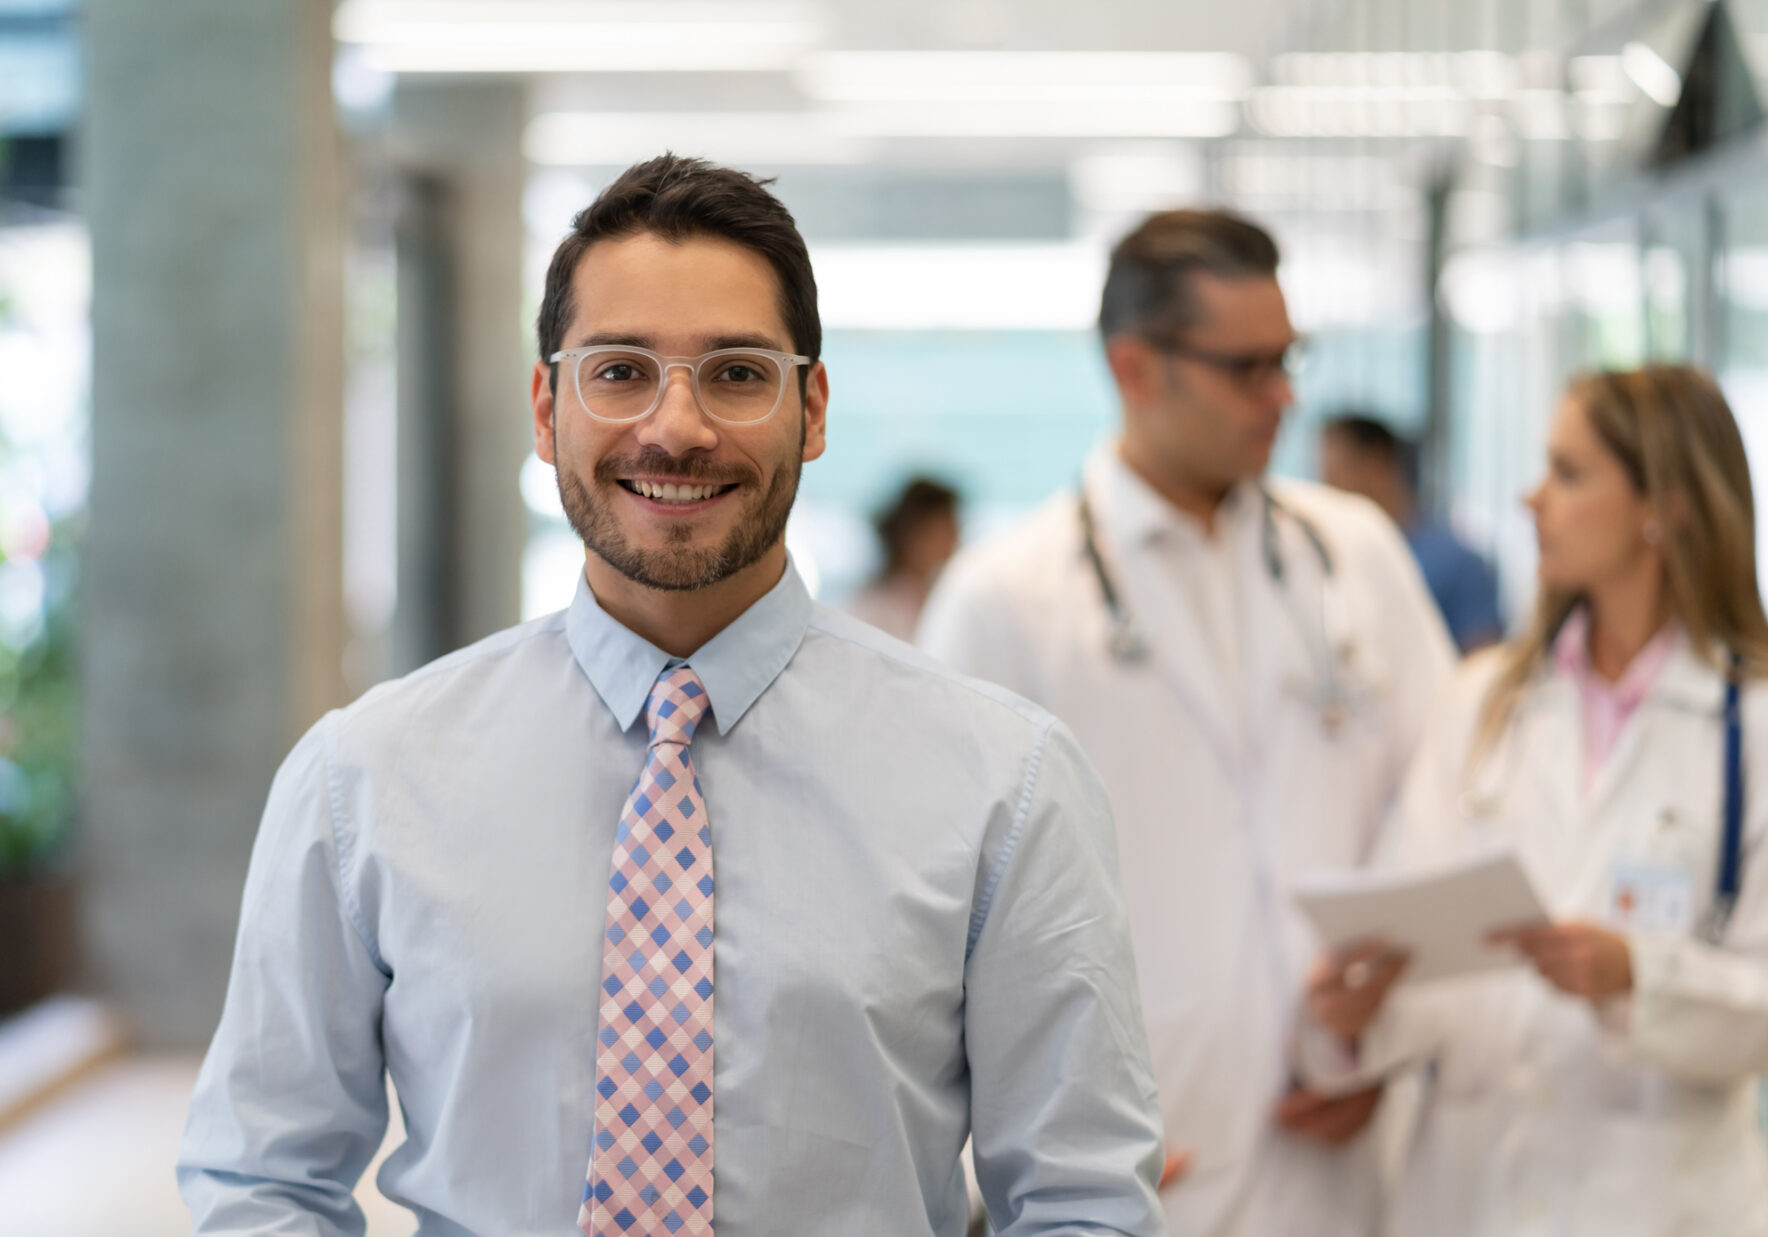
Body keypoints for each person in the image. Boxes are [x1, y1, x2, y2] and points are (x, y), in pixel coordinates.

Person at [178, 155, 1167, 1237]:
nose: (678, 427)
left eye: (738, 373)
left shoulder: (1004, 785)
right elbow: (260, 1180)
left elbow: (1082, 1201)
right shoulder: (363, 777)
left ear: (813, 407)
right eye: (620, 371)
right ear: (549, 406)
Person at [917, 209, 1455, 1237]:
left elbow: (1440, 814)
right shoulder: (1006, 601)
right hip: (1124, 1175)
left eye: (1289, 359)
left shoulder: (1356, 556)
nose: (1285, 396)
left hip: (1342, 1147)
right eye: (1247, 367)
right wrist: (1034, 1153)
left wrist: (1389, 1036)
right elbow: (943, 923)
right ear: (1136, 367)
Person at [1302, 366, 1768, 1237]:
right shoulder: (1486, 700)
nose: (1531, 498)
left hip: (1664, 1200)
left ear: (1662, 506)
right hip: (1469, 1191)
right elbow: (1413, 934)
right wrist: (1359, 1012)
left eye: (1567, 473)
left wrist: (1638, 974)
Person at [1319, 412, 1504, 652]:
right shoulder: (1336, 559)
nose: (1324, 490)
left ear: (1378, 463)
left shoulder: (1458, 563)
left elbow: (1483, 663)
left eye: (1335, 473)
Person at [843, 475, 962, 640]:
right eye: (946, 530)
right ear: (913, 534)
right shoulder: (873, 608)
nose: (954, 541)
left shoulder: (941, 596)